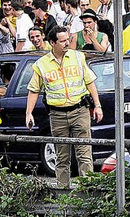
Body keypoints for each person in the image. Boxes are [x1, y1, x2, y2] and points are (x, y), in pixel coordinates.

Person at [25, 26, 103, 188]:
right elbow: (33, 90)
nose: (67, 43)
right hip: (57, 115)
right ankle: (63, 194)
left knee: (84, 154)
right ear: (52, 43)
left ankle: (88, 191)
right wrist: (28, 113)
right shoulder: (42, 64)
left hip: (80, 110)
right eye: (63, 41)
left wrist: (97, 105)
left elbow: (90, 82)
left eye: (68, 39)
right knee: (62, 156)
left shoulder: (78, 57)